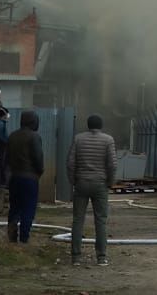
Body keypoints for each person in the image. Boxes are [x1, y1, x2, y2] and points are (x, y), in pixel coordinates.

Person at [68, 114, 117, 267]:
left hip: (81, 183)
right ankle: (101, 257)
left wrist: (73, 181)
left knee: (78, 219)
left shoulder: (78, 139)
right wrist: (110, 182)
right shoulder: (108, 140)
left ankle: (76, 257)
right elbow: (112, 164)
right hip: (100, 184)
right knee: (100, 220)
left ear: (88, 125)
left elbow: (70, 163)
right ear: (101, 125)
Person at [5, 111, 45, 243]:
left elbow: (7, 158)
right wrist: (39, 172)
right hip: (30, 178)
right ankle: (24, 237)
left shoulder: (12, 136)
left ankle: (12, 235)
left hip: (14, 176)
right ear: (34, 121)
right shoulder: (34, 137)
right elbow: (38, 158)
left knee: (14, 207)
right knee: (28, 209)